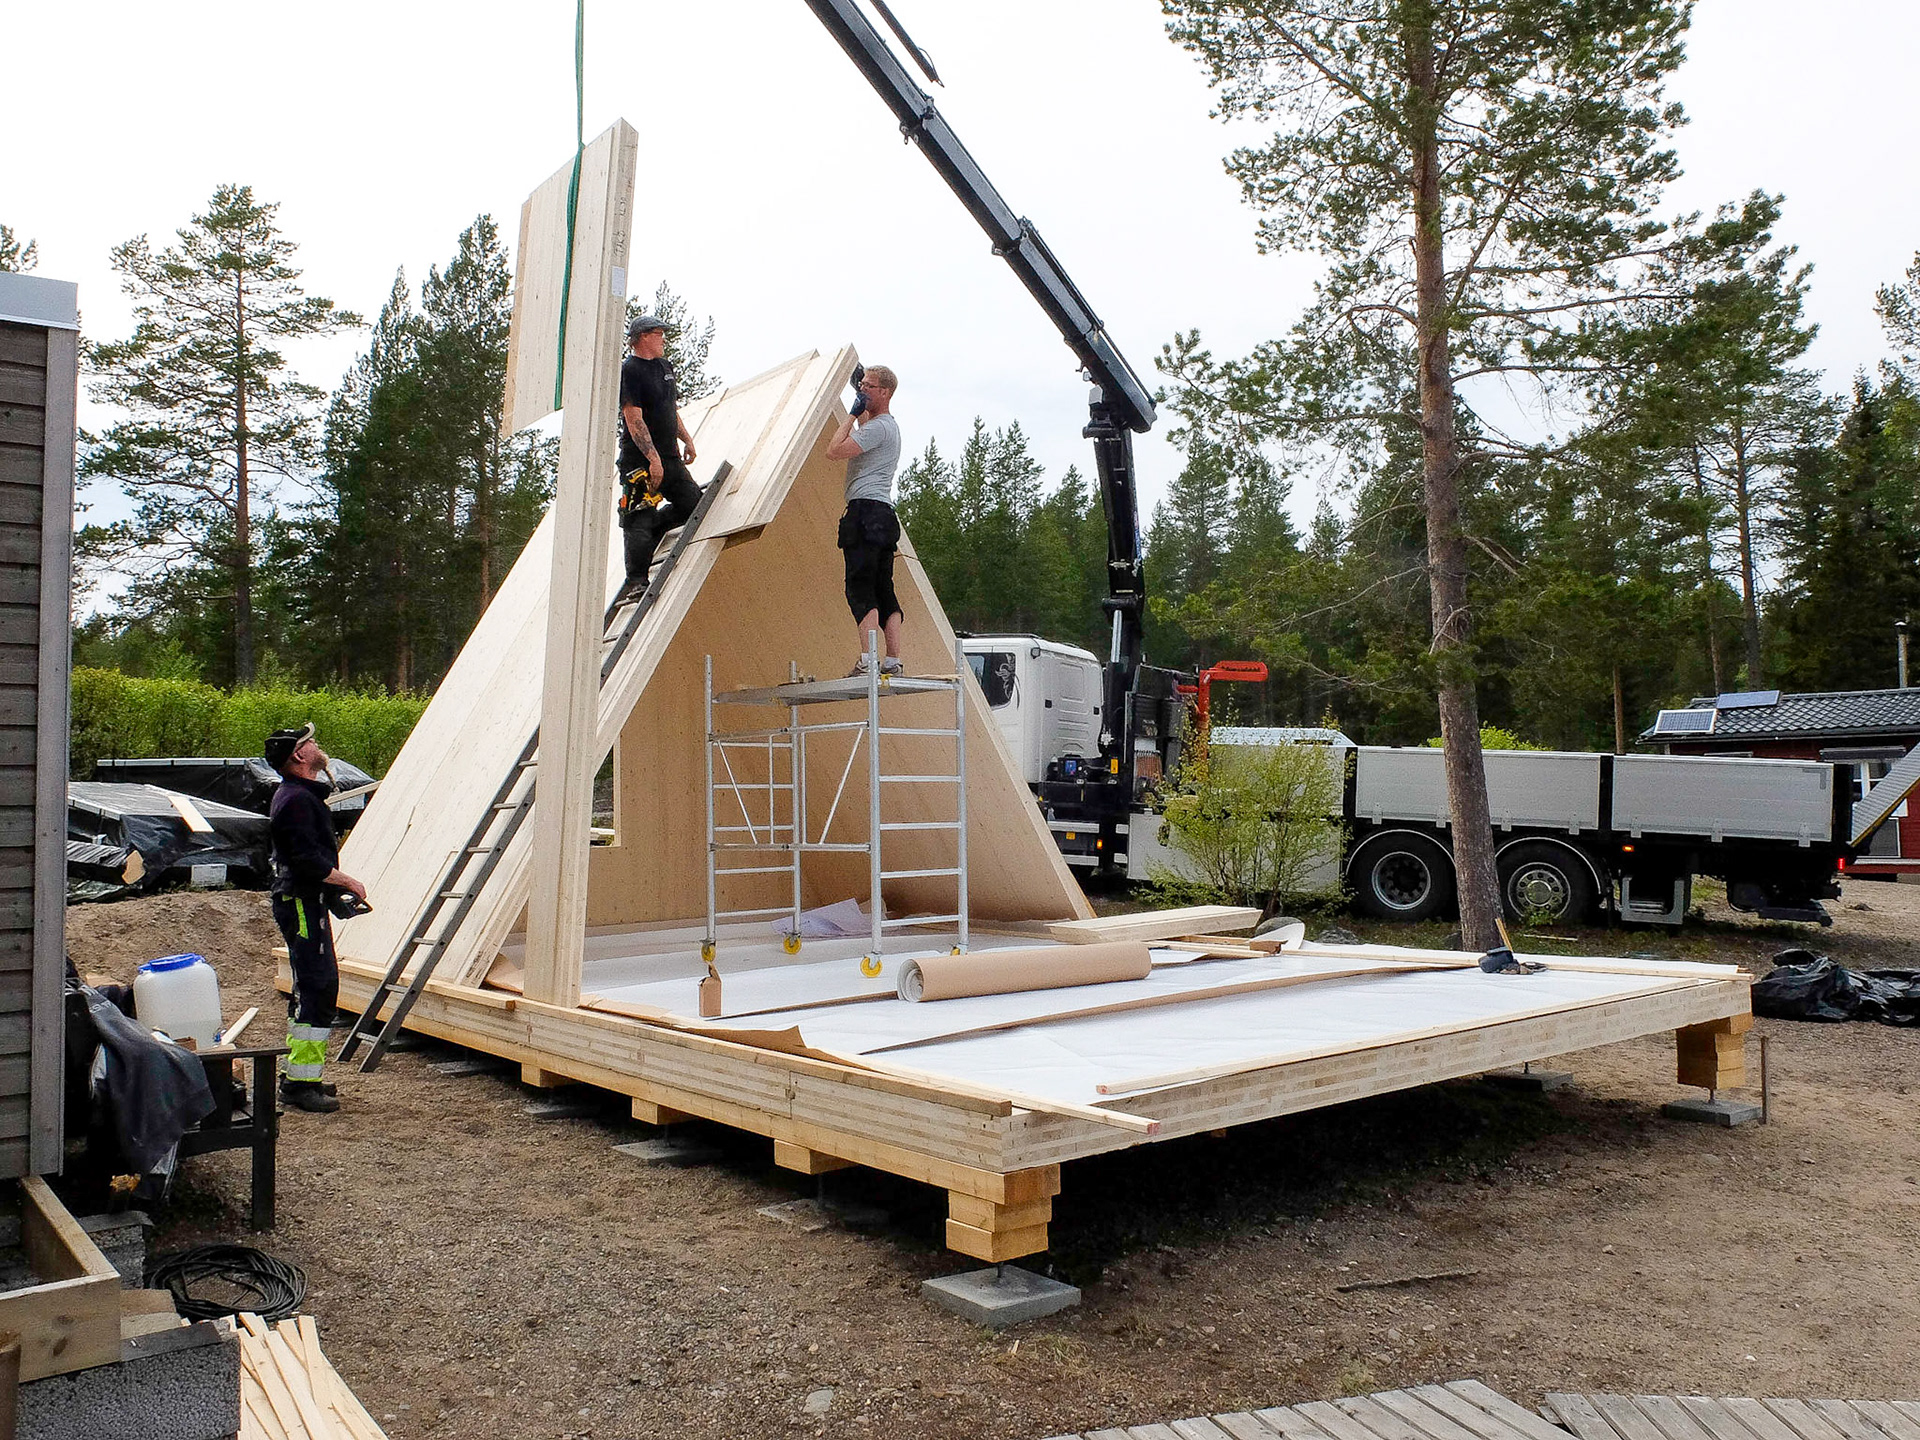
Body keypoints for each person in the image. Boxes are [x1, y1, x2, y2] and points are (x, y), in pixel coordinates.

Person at [264, 723, 367, 1114]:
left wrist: (332, 894)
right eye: (310, 742)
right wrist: (347, 882)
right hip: (301, 903)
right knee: (316, 986)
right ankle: (300, 1084)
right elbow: (306, 861)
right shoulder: (295, 800)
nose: (317, 746)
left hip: (306, 900)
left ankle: (299, 1074)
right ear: (298, 755)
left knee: (313, 986)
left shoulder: (301, 796)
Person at [825, 364, 903, 676]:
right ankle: (893, 661)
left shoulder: (877, 428)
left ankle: (868, 660)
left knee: (860, 587)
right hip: (884, 515)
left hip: (864, 513)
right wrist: (860, 390)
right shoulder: (888, 427)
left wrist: (851, 414)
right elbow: (867, 426)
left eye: (869, 387)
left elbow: (834, 450)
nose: (862, 391)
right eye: (862, 386)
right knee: (884, 589)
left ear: (885, 392)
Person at [617, 313, 700, 595]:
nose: (663, 339)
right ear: (642, 337)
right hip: (639, 461)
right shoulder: (630, 370)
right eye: (658, 334)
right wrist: (652, 459)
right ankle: (637, 581)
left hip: (669, 457)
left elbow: (670, 409)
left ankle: (657, 525)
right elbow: (634, 419)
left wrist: (686, 439)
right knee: (638, 518)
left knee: (693, 504)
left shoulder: (665, 367)